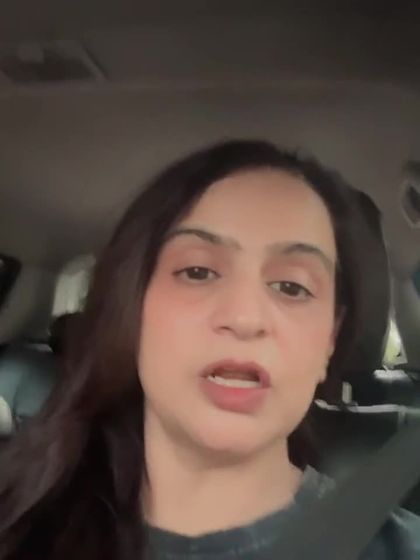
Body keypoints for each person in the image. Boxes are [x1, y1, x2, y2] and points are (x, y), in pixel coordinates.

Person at [0, 140, 419, 560]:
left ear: (330, 338)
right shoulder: (19, 513)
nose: (244, 317)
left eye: (292, 287)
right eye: (197, 271)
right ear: (133, 308)